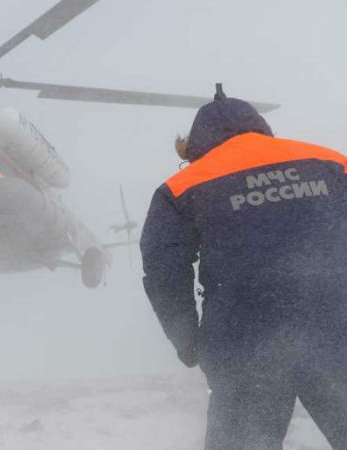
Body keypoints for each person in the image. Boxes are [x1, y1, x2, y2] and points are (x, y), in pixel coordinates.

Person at [140, 85, 347, 450]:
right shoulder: (332, 163)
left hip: (245, 346)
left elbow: (164, 270)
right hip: (337, 331)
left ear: (194, 148)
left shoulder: (182, 187)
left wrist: (187, 340)